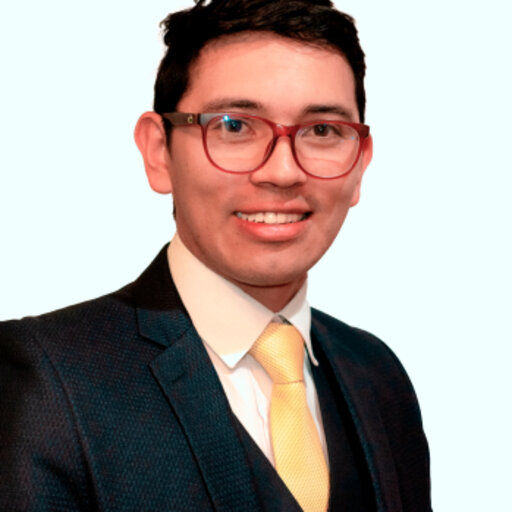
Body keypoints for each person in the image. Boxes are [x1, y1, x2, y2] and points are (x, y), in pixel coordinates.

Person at [0, 0, 431, 510]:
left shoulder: (378, 375)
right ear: (159, 151)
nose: (282, 172)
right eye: (234, 126)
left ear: (360, 163)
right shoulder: (46, 379)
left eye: (322, 131)